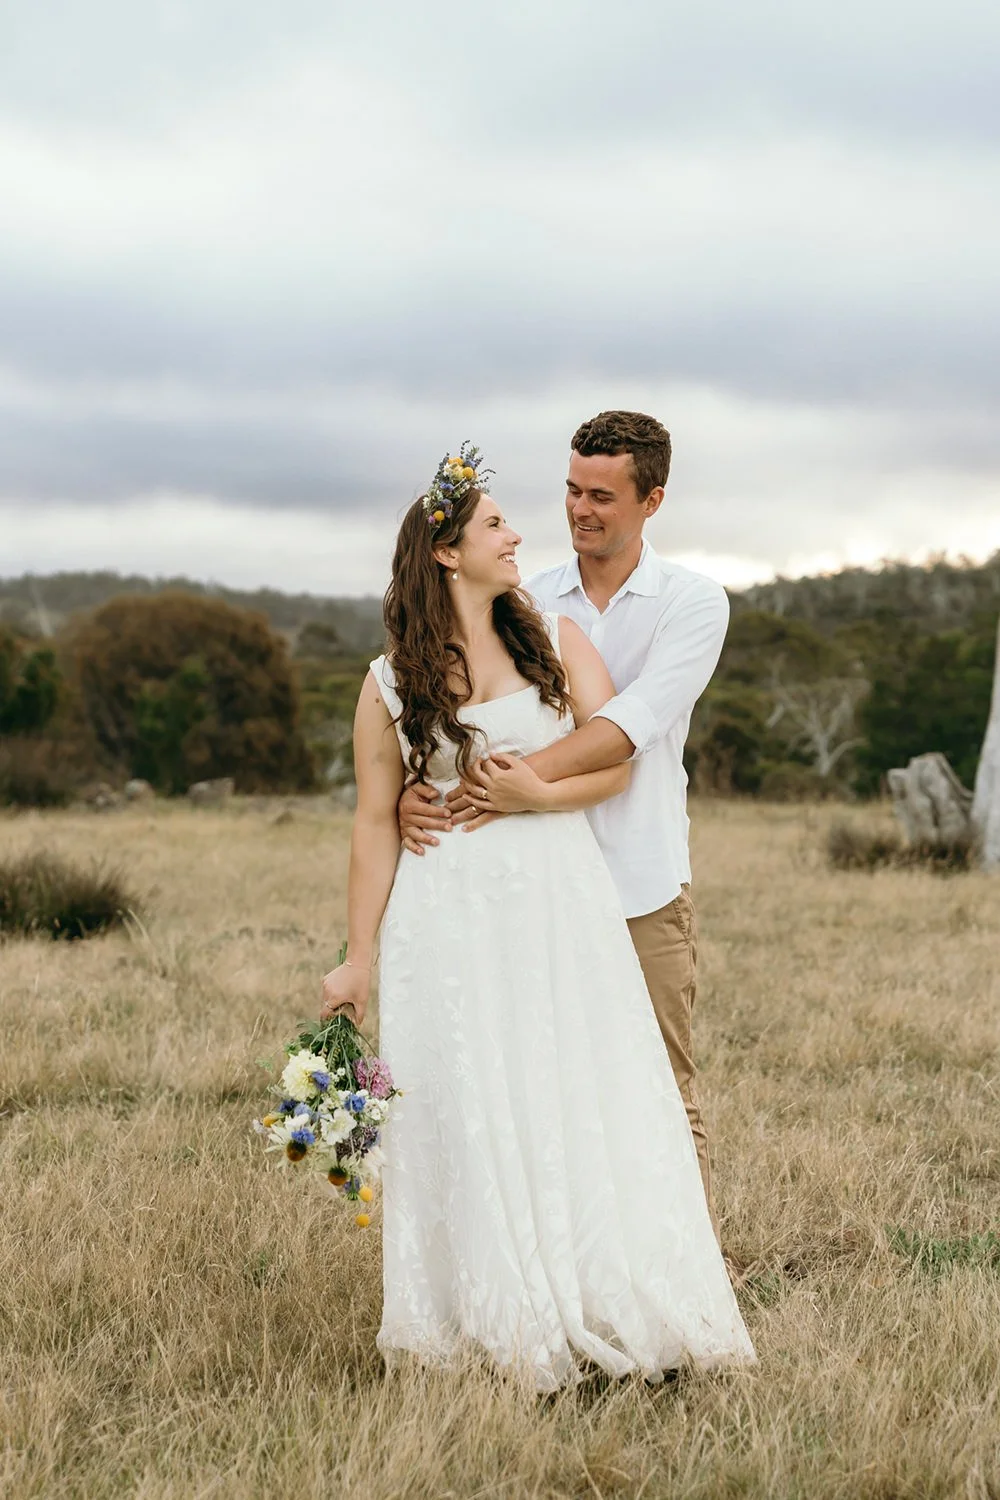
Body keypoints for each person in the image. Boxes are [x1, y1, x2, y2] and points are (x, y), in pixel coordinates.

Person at [319, 446, 753, 1390]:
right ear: (445, 554)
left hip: (568, 899)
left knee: (584, 1091)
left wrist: (529, 797)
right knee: (466, 1104)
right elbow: (369, 817)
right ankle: (491, 1313)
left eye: (593, 495)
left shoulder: (555, 633)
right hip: (446, 917)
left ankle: (610, 1287)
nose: (527, 529)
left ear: (648, 499)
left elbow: (620, 758)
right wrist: (358, 959)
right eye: (496, 524)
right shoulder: (389, 682)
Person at [399, 412, 728, 1235]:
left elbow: (628, 733)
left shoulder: (692, 603)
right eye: (573, 491)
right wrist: (426, 790)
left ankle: (692, 1278)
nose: (580, 511)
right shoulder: (525, 597)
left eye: (603, 497)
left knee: (659, 1087)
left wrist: (503, 787)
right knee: (549, 1096)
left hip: (637, 881)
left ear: (651, 500)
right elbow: (452, 710)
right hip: (530, 888)